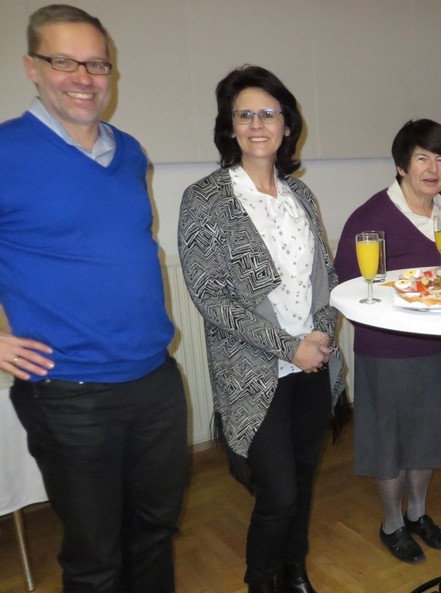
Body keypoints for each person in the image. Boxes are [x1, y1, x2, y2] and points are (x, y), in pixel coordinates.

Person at [0, 5, 188, 592]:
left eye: (97, 64)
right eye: (65, 61)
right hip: (69, 391)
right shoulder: (5, 150)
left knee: (155, 530)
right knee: (95, 556)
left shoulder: (129, 151)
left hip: (154, 377)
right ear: (32, 66)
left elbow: (132, 244)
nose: (83, 77)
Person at [178, 65, 345, 593]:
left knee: (304, 478)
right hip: (254, 371)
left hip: (312, 363)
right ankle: (261, 582)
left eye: (268, 114)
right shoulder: (205, 199)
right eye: (244, 114)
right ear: (229, 127)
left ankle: (295, 571)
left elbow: (326, 278)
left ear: (287, 125)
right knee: (278, 493)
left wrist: (320, 337)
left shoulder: (301, 195)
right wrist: (288, 347)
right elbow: (211, 297)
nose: (256, 124)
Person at [334, 119, 441, 565]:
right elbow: (346, 286)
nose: (433, 168)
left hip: (436, 345)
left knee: (427, 437)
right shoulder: (371, 218)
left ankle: (417, 513)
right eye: (422, 158)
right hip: (387, 350)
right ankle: (391, 523)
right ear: (401, 166)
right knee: (388, 443)